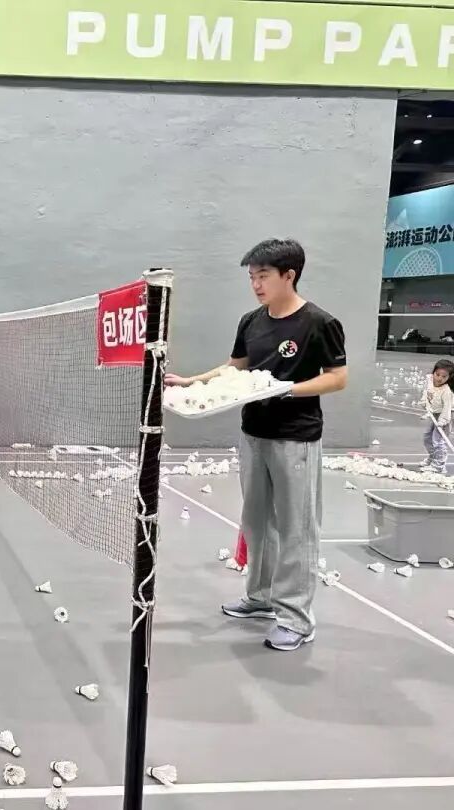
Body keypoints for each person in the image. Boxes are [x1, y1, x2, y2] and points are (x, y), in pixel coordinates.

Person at [166, 238, 347, 651]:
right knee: (257, 521)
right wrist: (193, 381)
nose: (256, 285)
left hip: (296, 438)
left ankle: (297, 619)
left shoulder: (319, 322)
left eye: (263, 276)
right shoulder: (251, 321)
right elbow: (236, 368)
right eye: (251, 277)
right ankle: (261, 597)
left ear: (289, 275)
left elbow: (338, 378)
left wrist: (287, 389)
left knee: (296, 529)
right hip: (253, 435)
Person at [420, 358, 453, 473]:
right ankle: (433, 458)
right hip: (434, 413)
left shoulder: (446, 391)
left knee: (438, 440)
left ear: (449, 377)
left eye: (444, 376)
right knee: (427, 438)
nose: (439, 378)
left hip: (445, 416)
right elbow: (427, 392)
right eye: (437, 374)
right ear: (433, 372)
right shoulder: (430, 381)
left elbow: (447, 407)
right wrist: (424, 402)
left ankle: (439, 465)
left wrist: (443, 421)